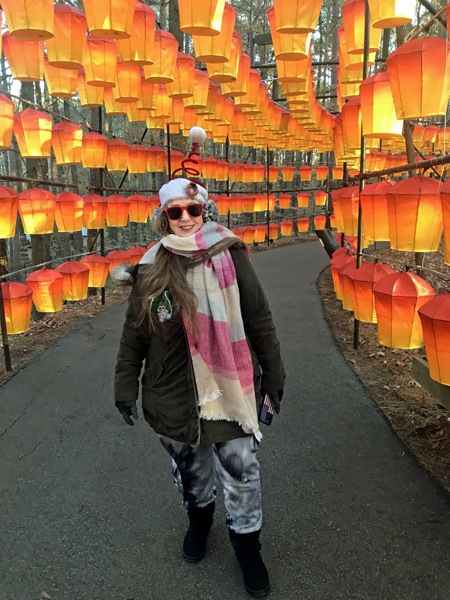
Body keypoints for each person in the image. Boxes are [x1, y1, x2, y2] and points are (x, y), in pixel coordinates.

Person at [113, 175, 285, 598]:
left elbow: (259, 318)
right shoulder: (152, 266)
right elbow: (135, 332)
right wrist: (124, 385)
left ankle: (247, 547)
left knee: (241, 471)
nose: (185, 219)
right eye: (175, 212)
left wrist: (275, 378)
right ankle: (200, 521)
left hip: (231, 390)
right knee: (191, 471)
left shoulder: (231, 253)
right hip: (171, 391)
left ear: (204, 211)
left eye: (193, 210)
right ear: (164, 217)